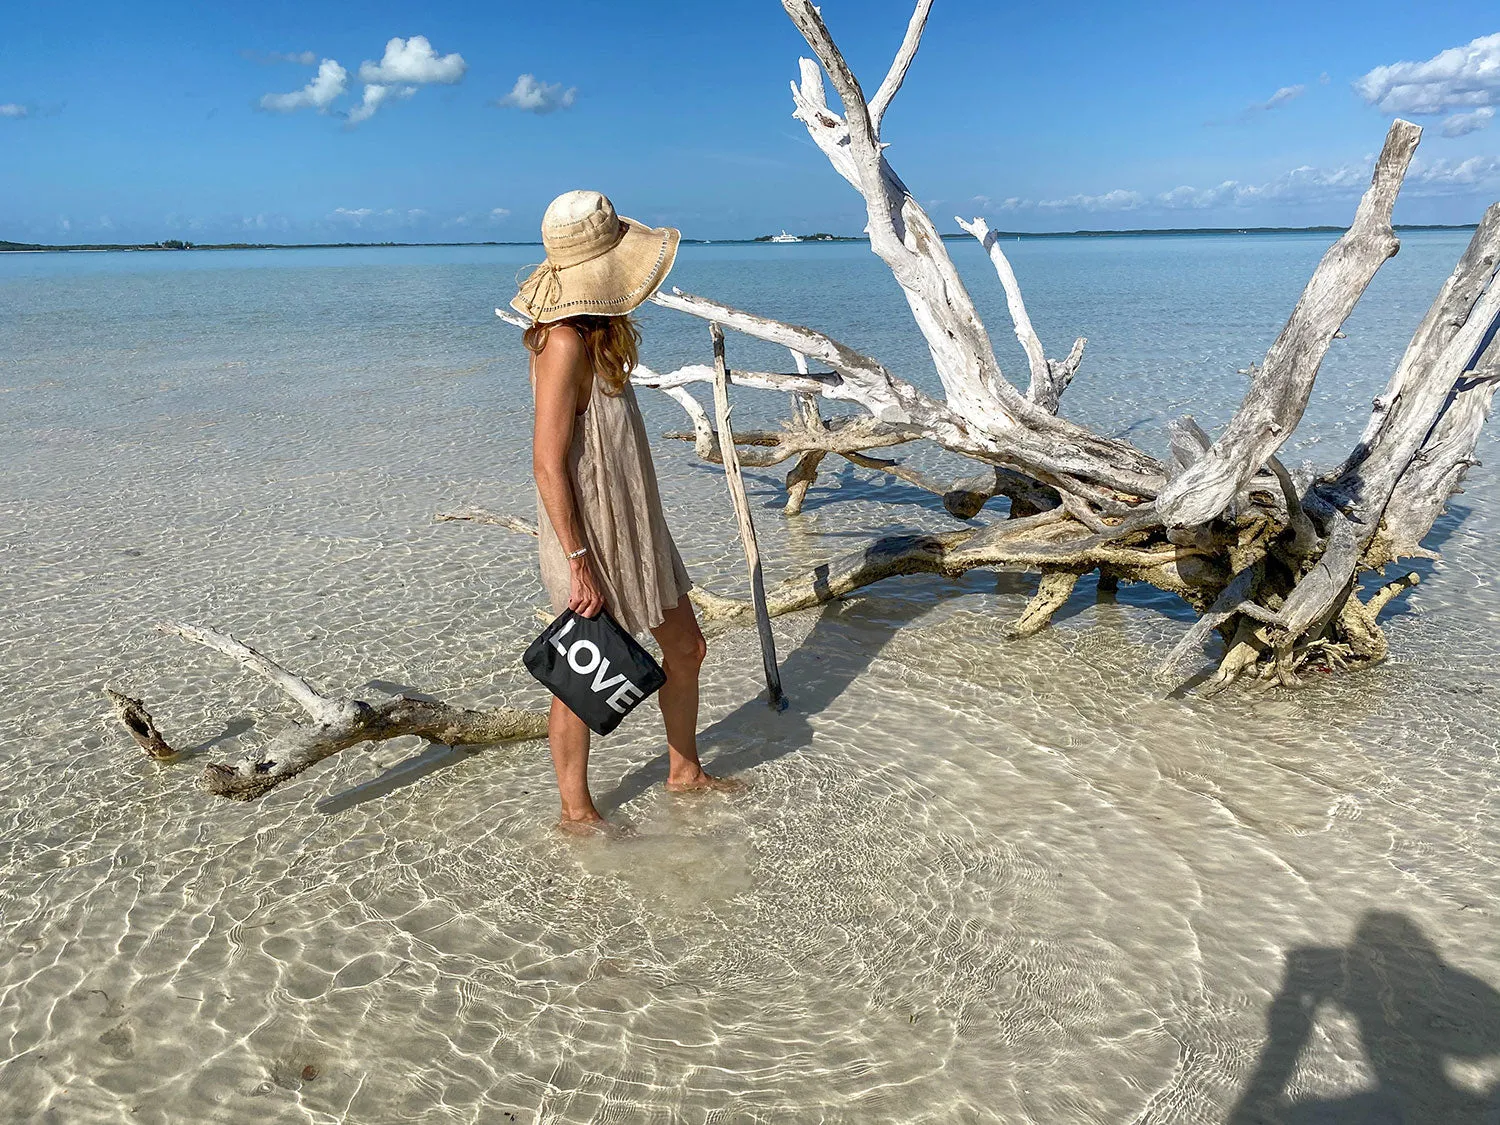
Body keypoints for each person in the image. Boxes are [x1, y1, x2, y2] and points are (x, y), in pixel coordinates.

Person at [513, 190, 740, 832]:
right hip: (590, 527)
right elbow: (546, 462)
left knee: (687, 647)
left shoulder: (593, 332)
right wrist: (579, 560)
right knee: (583, 673)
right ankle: (576, 811)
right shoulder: (562, 341)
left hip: (635, 520)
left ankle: (684, 771)